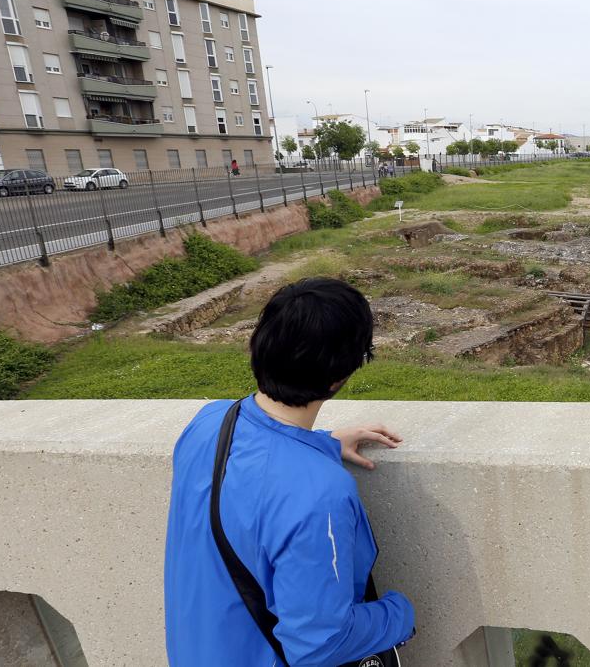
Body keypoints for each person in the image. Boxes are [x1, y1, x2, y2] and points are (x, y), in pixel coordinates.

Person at [165, 278, 414, 666]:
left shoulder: (209, 422)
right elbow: (319, 645)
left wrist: (323, 444)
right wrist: (399, 614)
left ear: (258, 346)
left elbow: (254, 474)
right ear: (341, 376)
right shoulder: (321, 494)